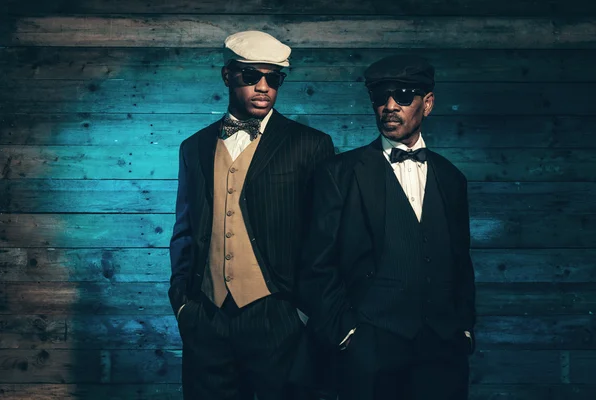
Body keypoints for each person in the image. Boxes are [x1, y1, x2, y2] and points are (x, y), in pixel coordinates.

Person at [168, 30, 334, 400]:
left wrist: (303, 312)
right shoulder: (193, 147)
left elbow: (326, 237)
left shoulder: (310, 145)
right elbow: (184, 229)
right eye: (251, 76)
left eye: (273, 78)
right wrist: (183, 304)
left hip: (278, 315)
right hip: (206, 316)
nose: (263, 87)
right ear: (228, 76)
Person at [298, 55, 476, 400]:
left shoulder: (453, 178)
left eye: (404, 96)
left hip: (442, 350)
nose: (390, 106)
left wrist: (464, 328)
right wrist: (346, 332)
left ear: (428, 103)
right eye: (381, 97)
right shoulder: (340, 173)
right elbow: (315, 265)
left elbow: (460, 261)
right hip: (370, 348)